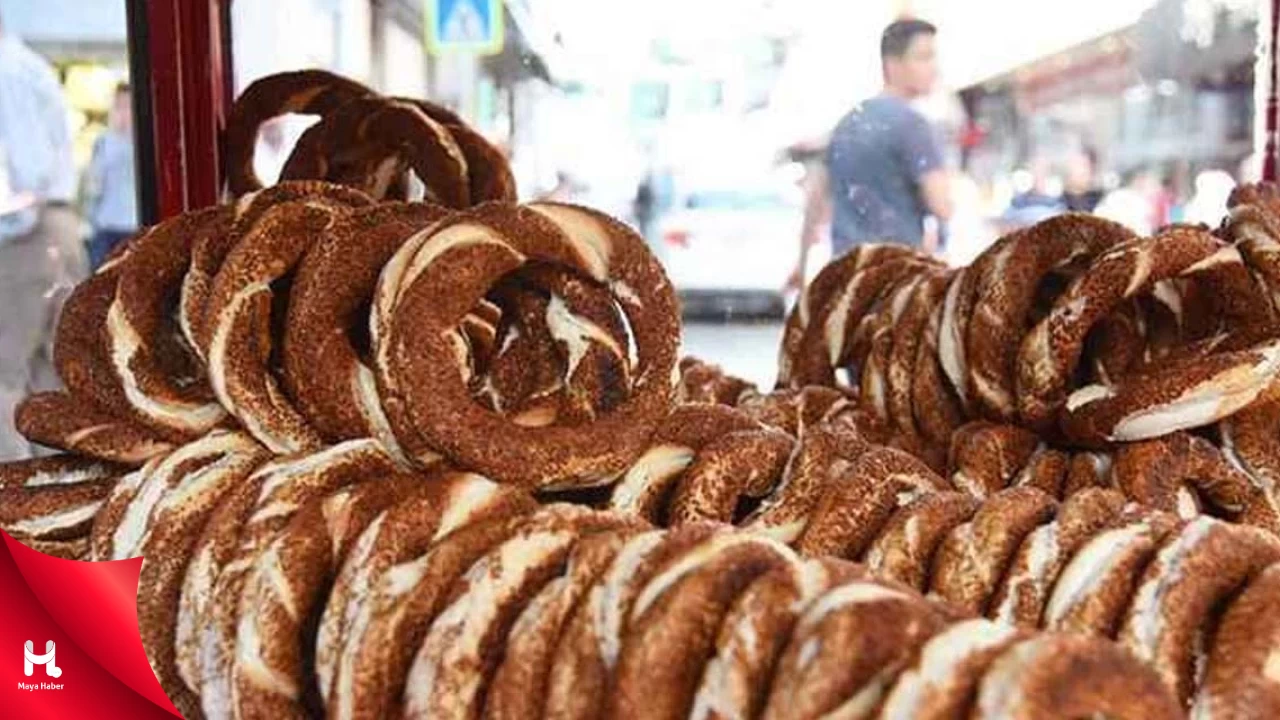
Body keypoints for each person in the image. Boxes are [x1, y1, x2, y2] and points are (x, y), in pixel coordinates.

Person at [788, 18, 951, 290]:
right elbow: (942, 205)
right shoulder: (914, 126)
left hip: (844, 282)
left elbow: (815, 201)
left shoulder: (848, 122)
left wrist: (801, 267)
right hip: (896, 283)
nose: (934, 68)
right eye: (924, 57)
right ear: (893, 65)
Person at [0, 13, 84, 458]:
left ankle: (9, 509)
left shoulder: (6, 71)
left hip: (25, 235)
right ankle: (59, 505)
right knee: (50, 379)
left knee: (4, 377)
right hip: (55, 229)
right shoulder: (27, 65)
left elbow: (29, 173)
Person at [84, 82, 138, 269]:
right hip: (106, 229)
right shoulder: (103, 142)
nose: (122, 113)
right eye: (118, 106)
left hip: (134, 227)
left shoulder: (144, 142)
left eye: (127, 106)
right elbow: (94, 185)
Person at [1062, 147, 1103, 213]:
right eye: (1077, 165)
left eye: (1085, 166)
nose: (1082, 171)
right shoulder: (1058, 204)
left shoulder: (1100, 203)